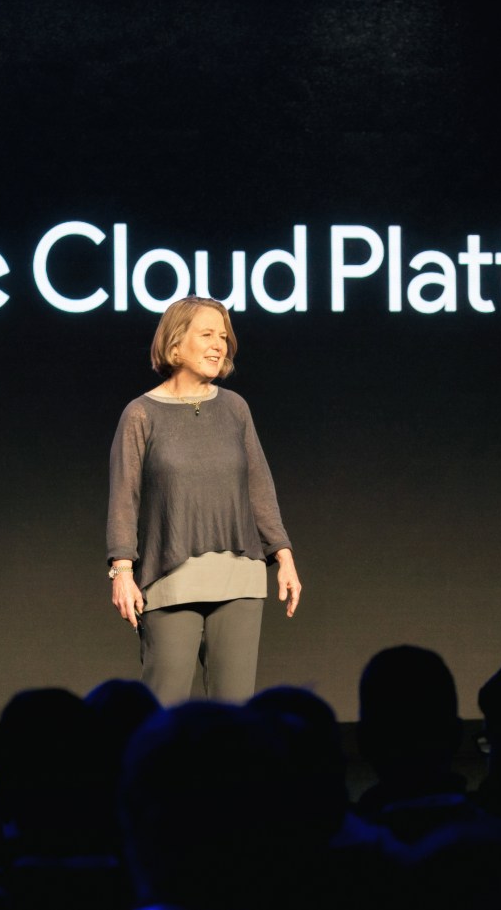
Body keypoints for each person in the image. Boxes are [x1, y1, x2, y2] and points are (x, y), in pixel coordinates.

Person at [106, 295, 301, 705]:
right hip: (170, 575)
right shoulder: (141, 414)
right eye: (207, 334)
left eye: (224, 337)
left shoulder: (234, 408)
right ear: (175, 343)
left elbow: (258, 486)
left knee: (234, 711)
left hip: (240, 576)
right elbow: (124, 496)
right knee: (164, 706)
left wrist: (283, 556)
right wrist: (122, 570)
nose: (219, 345)